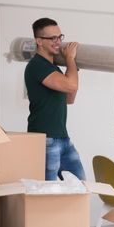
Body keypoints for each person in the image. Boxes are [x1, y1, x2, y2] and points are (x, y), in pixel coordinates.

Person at [24, 17, 86, 181]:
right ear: (39, 41)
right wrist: (70, 60)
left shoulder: (53, 68)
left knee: (80, 185)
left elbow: (70, 98)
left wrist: (72, 68)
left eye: (59, 37)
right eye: (52, 38)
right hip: (45, 139)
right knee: (48, 191)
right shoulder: (37, 65)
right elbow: (71, 86)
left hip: (62, 138)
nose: (58, 41)